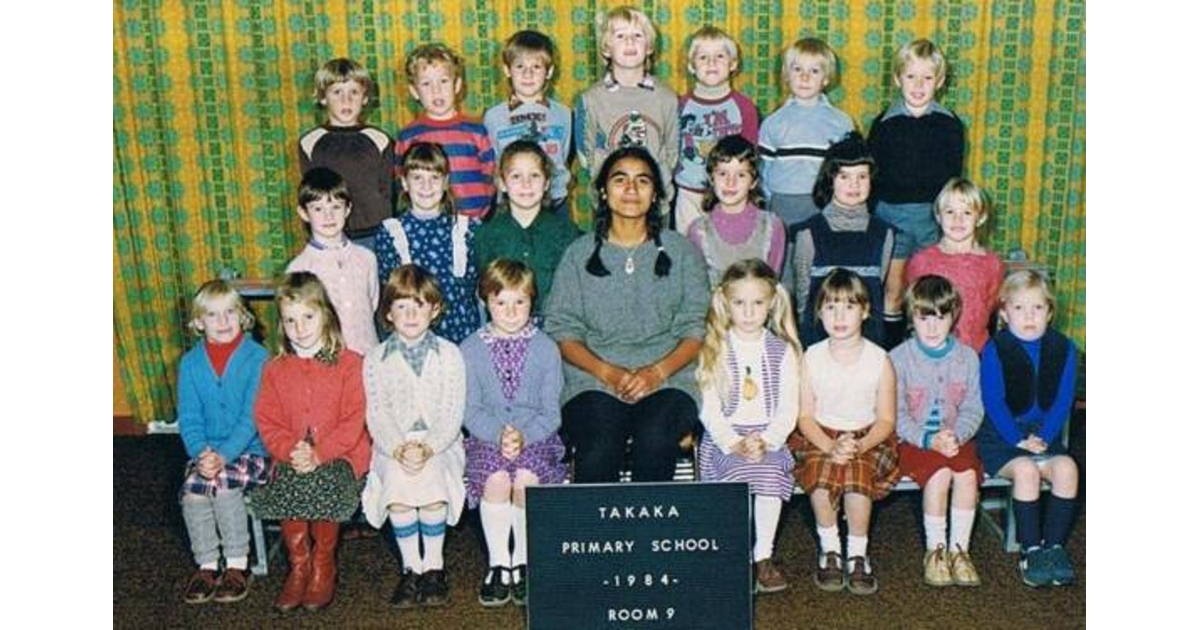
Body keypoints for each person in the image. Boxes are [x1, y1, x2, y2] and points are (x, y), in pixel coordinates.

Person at [544, 146, 709, 483]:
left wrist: (656, 373)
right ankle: (598, 536)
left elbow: (696, 328)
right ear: (604, 192)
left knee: (654, 442)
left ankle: (648, 536)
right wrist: (609, 374)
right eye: (620, 180)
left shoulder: (681, 250)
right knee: (599, 446)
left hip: (669, 378)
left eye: (642, 181)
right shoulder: (578, 254)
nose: (631, 190)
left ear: (656, 195)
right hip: (592, 379)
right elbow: (562, 330)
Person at [248, 272, 370, 612]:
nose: (299, 328)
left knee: (321, 483)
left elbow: (353, 422)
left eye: (307, 317)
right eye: (290, 320)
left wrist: (319, 453)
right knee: (289, 483)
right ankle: (298, 565)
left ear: (325, 315)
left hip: (339, 454)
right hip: (292, 454)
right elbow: (267, 420)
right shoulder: (275, 369)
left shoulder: (350, 364)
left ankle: (322, 563)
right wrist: (291, 449)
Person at [462, 259, 568, 607]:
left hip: (536, 436)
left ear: (532, 302)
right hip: (486, 436)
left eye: (519, 302)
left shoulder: (545, 348)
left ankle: (522, 561)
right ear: (486, 302)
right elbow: (470, 409)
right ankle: (498, 564)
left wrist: (523, 435)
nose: (510, 312)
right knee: (495, 479)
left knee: (525, 479)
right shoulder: (470, 349)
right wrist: (498, 435)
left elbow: (550, 411)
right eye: (500, 302)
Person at [361, 265, 467, 609]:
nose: (410, 314)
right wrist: (398, 447)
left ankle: (434, 566)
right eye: (401, 306)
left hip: (442, 442)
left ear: (434, 310)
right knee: (398, 485)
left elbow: (453, 413)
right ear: (388, 313)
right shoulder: (375, 359)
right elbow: (377, 413)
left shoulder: (450, 354)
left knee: (434, 481)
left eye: (419, 305)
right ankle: (412, 568)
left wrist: (429, 446)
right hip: (393, 444)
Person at [788, 269, 899, 596]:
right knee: (820, 477)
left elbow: (887, 420)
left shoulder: (880, 359)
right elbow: (804, 414)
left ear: (865, 311)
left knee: (857, 480)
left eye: (848, 307)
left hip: (868, 435)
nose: (839, 316)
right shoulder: (811, 357)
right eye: (831, 307)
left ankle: (858, 553)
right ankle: (830, 548)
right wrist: (829, 445)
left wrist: (860, 444)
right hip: (820, 434)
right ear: (819, 312)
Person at [695, 259, 801, 595]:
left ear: (771, 303)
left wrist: (767, 440)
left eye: (757, 303)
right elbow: (708, 407)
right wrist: (732, 441)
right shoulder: (714, 348)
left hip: (768, 437)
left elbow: (788, 408)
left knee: (770, 474)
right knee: (733, 477)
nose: (749, 312)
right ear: (726, 302)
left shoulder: (782, 351)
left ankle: (763, 555)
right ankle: (734, 554)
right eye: (740, 303)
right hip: (724, 438)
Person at [975, 270, 1080, 588]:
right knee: (1026, 472)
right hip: (1002, 436)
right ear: (1005, 314)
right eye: (1019, 308)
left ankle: (1054, 547)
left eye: (1037, 308)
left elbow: (1063, 401)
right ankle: (1031, 549)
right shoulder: (995, 349)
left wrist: (1045, 438)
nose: (1029, 316)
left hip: (1043, 433)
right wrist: (1019, 440)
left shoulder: (1065, 348)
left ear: (1049, 312)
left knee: (1067, 468)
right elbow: (994, 403)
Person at [176, 280, 270, 605]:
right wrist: (201, 453)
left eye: (230, 312)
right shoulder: (189, 364)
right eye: (213, 315)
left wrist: (224, 455)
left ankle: (236, 564)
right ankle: (206, 564)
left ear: (242, 316)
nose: (223, 321)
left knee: (225, 486)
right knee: (193, 492)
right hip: (207, 452)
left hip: (250, 449)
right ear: (199, 322)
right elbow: (189, 418)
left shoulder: (258, 358)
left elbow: (252, 417)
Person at [890, 275, 984, 587]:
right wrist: (928, 439)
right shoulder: (898, 358)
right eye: (924, 317)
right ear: (911, 316)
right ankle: (936, 550)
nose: (932, 327)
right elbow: (895, 414)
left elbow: (973, 407)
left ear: (953, 315)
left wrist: (957, 435)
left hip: (956, 439)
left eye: (941, 317)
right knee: (940, 475)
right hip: (912, 442)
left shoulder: (968, 357)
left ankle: (960, 550)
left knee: (967, 475)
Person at [868, 38, 966, 332]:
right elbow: (871, 176)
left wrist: (945, 219)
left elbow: (953, 179)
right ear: (898, 78)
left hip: (931, 220)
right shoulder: (884, 123)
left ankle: (928, 350)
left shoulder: (950, 124)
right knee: (893, 289)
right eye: (911, 76)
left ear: (940, 81)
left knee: (930, 289)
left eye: (927, 77)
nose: (919, 85)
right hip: (891, 217)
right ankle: (892, 352)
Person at [784, 131, 900, 347]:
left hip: (867, 346)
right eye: (844, 176)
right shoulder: (807, 233)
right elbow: (802, 301)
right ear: (830, 180)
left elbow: (877, 291)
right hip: (819, 344)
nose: (854, 185)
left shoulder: (885, 234)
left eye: (862, 176)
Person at [374, 142, 480, 344]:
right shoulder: (390, 234)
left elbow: (476, 288)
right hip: (414, 342)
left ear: (446, 182)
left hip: (464, 340)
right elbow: (391, 298)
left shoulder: (467, 229)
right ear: (404, 182)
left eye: (434, 178)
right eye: (417, 178)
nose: (426, 186)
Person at [575, 5, 679, 207]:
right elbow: (586, 155)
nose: (630, 42)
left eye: (638, 35)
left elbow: (673, 151)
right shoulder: (591, 99)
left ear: (649, 47)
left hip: (655, 203)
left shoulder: (667, 97)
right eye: (620, 36)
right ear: (606, 48)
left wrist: (660, 182)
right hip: (610, 204)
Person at [758, 37, 855, 230]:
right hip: (783, 202)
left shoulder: (841, 122)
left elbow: (848, 168)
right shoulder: (773, 122)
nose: (805, 77)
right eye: (797, 70)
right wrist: (768, 201)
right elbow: (764, 168)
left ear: (826, 78)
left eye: (814, 71)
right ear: (787, 75)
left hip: (824, 203)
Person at [474, 140, 580, 315]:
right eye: (516, 176)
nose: (526, 184)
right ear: (502, 183)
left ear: (546, 182)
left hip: (554, 331)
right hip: (505, 330)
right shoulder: (486, 235)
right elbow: (485, 292)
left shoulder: (567, 233)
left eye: (535, 175)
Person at [298, 58, 393, 247]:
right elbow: (310, 194)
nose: (346, 100)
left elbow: (388, 192)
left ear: (365, 98)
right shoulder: (309, 142)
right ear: (323, 97)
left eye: (354, 92)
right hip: (329, 235)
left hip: (374, 234)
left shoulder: (380, 140)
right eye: (337, 92)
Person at [674, 25, 760, 234]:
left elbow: (752, 157)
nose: (711, 63)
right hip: (689, 193)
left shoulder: (744, 106)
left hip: (731, 196)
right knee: (690, 251)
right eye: (703, 57)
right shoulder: (679, 105)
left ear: (733, 64)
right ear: (691, 66)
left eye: (720, 56)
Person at [396, 43, 496, 221]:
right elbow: (402, 179)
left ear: (457, 85)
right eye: (426, 84)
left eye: (443, 81)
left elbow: (490, 172)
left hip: (475, 220)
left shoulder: (477, 131)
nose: (437, 90)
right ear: (414, 91)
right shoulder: (408, 136)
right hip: (429, 222)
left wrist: (483, 208)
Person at [904, 177, 1005, 352]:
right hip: (930, 354)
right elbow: (915, 310)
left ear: (980, 217)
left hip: (976, 354)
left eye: (967, 213)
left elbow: (990, 307)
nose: (958, 220)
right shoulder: (920, 261)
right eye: (950, 212)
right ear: (938, 216)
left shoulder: (992, 264)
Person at [286, 167, 380, 355]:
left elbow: (372, 303)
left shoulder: (367, 259)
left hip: (368, 359)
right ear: (304, 213)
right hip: (327, 365)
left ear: (348, 209)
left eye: (336, 207)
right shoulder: (298, 268)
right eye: (318, 208)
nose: (328, 216)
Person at [483, 30, 574, 217]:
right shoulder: (493, 117)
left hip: (555, 202)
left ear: (549, 71)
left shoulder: (563, 114)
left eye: (536, 67)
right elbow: (494, 162)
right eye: (519, 66)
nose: (528, 74)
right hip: (512, 203)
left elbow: (563, 156)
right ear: (507, 70)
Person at [686, 135, 785, 287]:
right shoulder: (698, 231)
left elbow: (773, 285)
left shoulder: (772, 226)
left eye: (741, 175)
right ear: (711, 178)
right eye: (723, 174)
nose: (730, 182)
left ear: (753, 182)